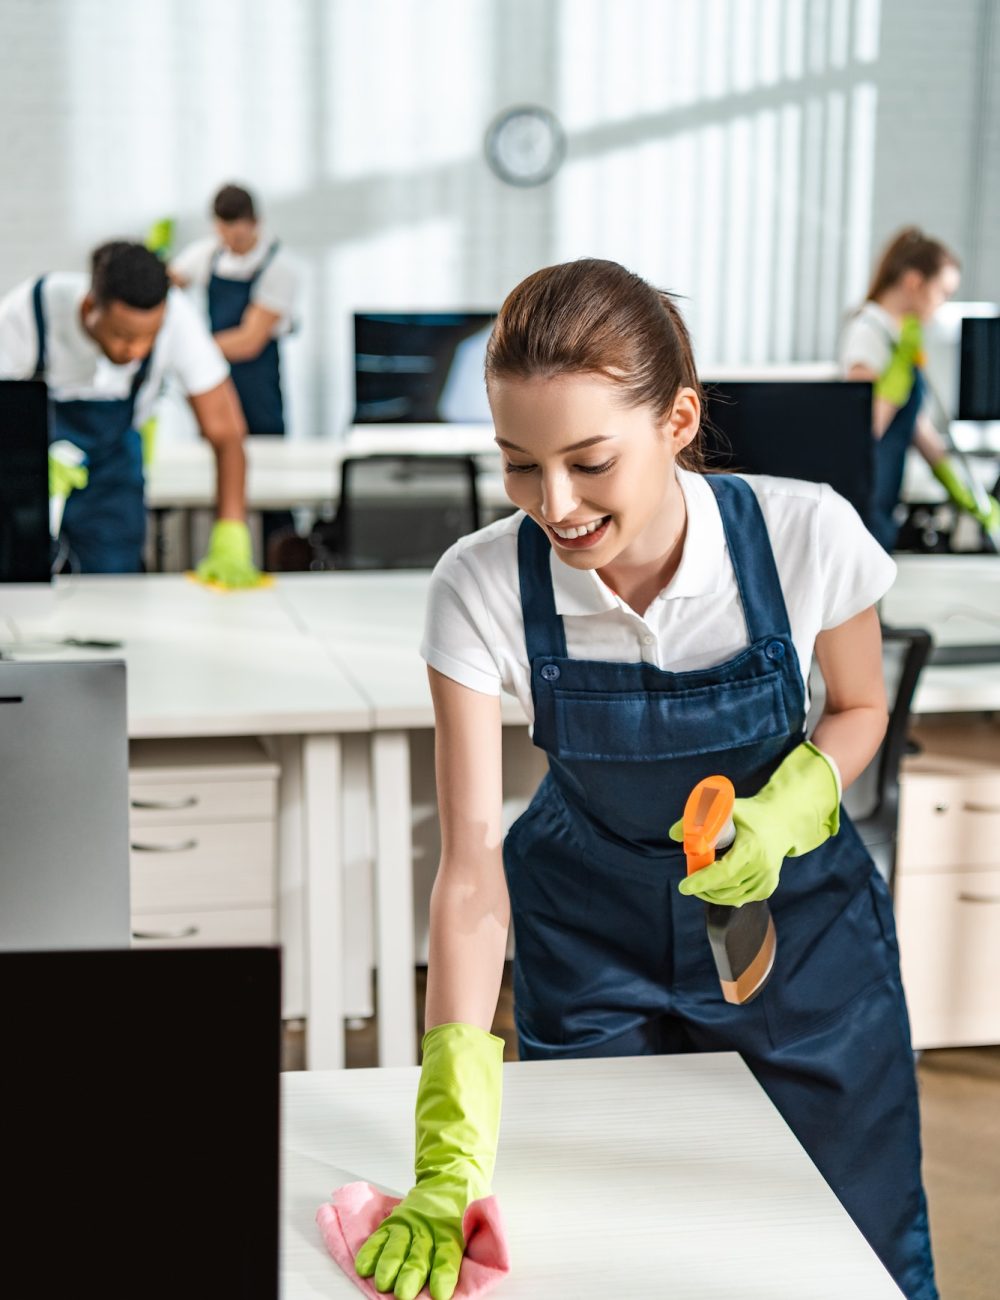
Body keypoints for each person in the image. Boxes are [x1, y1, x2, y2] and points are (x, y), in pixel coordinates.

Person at [355, 260, 937, 1300]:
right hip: (589, 941)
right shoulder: (480, 584)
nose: (554, 505)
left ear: (676, 419)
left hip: (796, 934)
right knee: (611, 1252)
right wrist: (446, 1147)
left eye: (587, 461)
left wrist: (789, 806)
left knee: (852, 1249)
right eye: (519, 466)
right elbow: (471, 866)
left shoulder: (804, 532)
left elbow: (858, 708)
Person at [0, 240, 258, 583]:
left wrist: (231, 533)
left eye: (149, 337)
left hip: (114, 478)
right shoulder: (30, 312)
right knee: (19, 584)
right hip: (29, 480)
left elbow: (226, 434)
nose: (136, 350)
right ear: (91, 306)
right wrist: (22, 463)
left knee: (113, 590)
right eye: (123, 335)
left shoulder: (178, 319)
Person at [840, 225, 999, 551]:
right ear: (914, 282)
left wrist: (967, 495)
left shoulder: (899, 338)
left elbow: (920, 431)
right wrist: (894, 381)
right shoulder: (869, 331)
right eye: (943, 292)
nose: (942, 305)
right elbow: (861, 432)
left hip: (882, 504)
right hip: (862, 502)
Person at [170, 183, 300, 556]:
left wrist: (189, 348)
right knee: (216, 474)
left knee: (272, 486)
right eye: (225, 233)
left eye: (240, 235)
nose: (233, 242)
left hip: (259, 392)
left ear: (256, 223)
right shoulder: (206, 255)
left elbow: (248, 340)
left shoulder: (280, 268)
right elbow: (166, 286)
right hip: (216, 387)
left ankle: (281, 561)